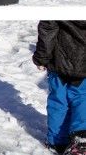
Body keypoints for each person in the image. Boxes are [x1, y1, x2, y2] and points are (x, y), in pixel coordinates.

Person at [33, 21, 86, 154]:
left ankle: (57, 142)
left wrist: (42, 58)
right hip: (83, 64)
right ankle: (82, 139)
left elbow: (48, 28)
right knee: (81, 98)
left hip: (59, 62)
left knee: (58, 101)